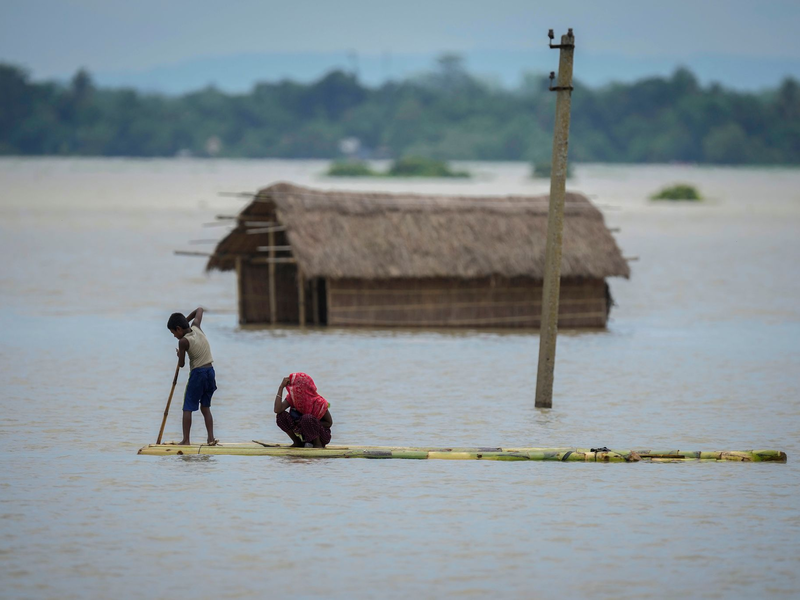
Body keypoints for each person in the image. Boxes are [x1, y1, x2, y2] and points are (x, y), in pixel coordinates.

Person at [167, 307, 218, 446]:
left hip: (198, 374)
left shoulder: (183, 341)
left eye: (173, 332)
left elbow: (182, 364)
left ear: (178, 329)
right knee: (205, 407)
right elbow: (199, 310)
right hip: (210, 371)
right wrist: (186, 321)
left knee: (187, 407)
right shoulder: (196, 327)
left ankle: (186, 440)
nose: (174, 336)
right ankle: (211, 438)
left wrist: (179, 355)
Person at [273, 373, 333, 448]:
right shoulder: (293, 398)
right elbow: (277, 410)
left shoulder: (318, 402)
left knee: (307, 418)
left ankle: (317, 444)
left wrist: (307, 424)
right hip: (302, 433)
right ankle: (297, 442)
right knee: (281, 416)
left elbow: (329, 423)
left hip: (321, 436)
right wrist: (281, 387)